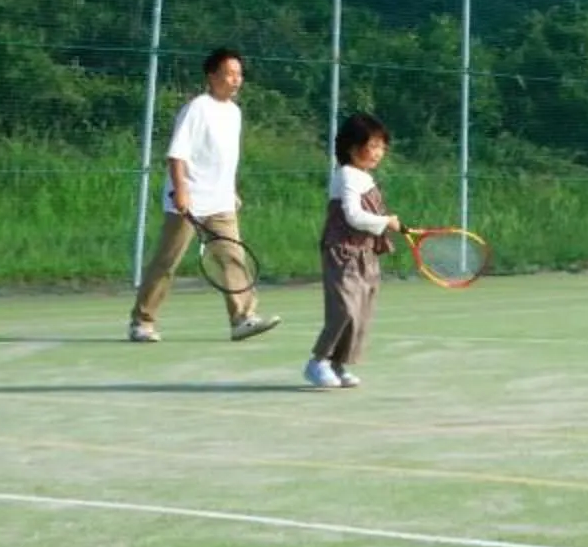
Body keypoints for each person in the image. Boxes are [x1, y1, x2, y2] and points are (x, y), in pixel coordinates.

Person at [129, 47, 280, 343]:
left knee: (233, 258)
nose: (236, 80)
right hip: (189, 201)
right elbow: (177, 154)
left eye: (239, 74)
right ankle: (141, 321)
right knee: (166, 262)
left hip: (221, 203)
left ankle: (243, 319)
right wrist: (181, 192)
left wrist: (231, 190)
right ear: (212, 76)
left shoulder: (234, 113)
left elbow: (225, 158)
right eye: (229, 74)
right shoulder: (196, 108)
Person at [306, 112, 401, 389]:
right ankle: (317, 362)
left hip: (366, 253)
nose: (378, 152)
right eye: (372, 146)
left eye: (381, 146)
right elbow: (353, 217)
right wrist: (386, 221)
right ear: (352, 146)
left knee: (360, 311)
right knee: (344, 309)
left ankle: (338, 364)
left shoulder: (365, 177)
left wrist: (384, 225)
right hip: (342, 252)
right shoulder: (347, 175)